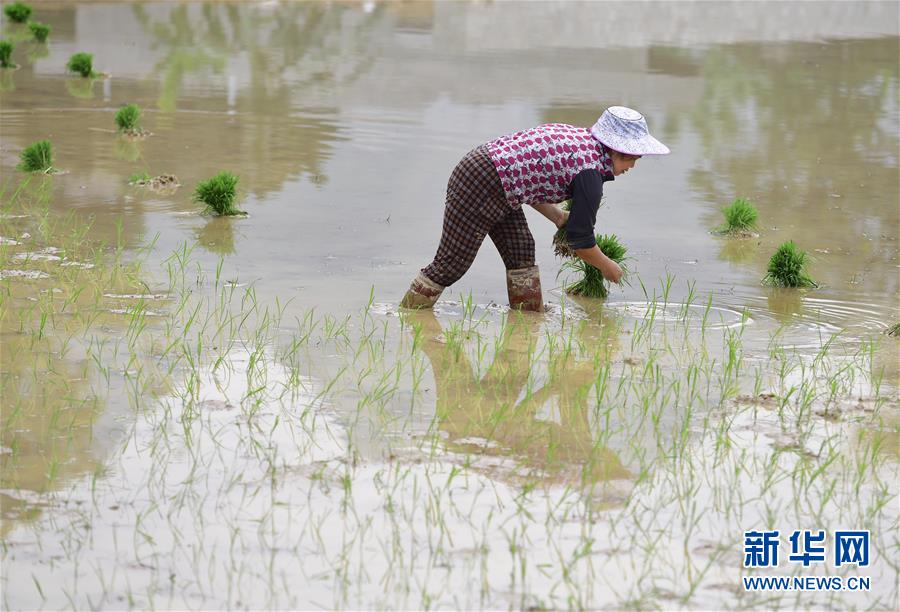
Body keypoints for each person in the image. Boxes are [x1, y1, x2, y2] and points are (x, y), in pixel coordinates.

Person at [400, 106, 670, 311]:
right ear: (615, 150)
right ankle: (408, 315)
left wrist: (557, 216)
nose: (632, 167)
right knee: (452, 263)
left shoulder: (581, 141)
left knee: (521, 252)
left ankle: (527, 320)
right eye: (631, 160)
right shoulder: (590, 174)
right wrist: (607, 266)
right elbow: (581, 241)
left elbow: (528, 177)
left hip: (494, 177)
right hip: (482, 181)